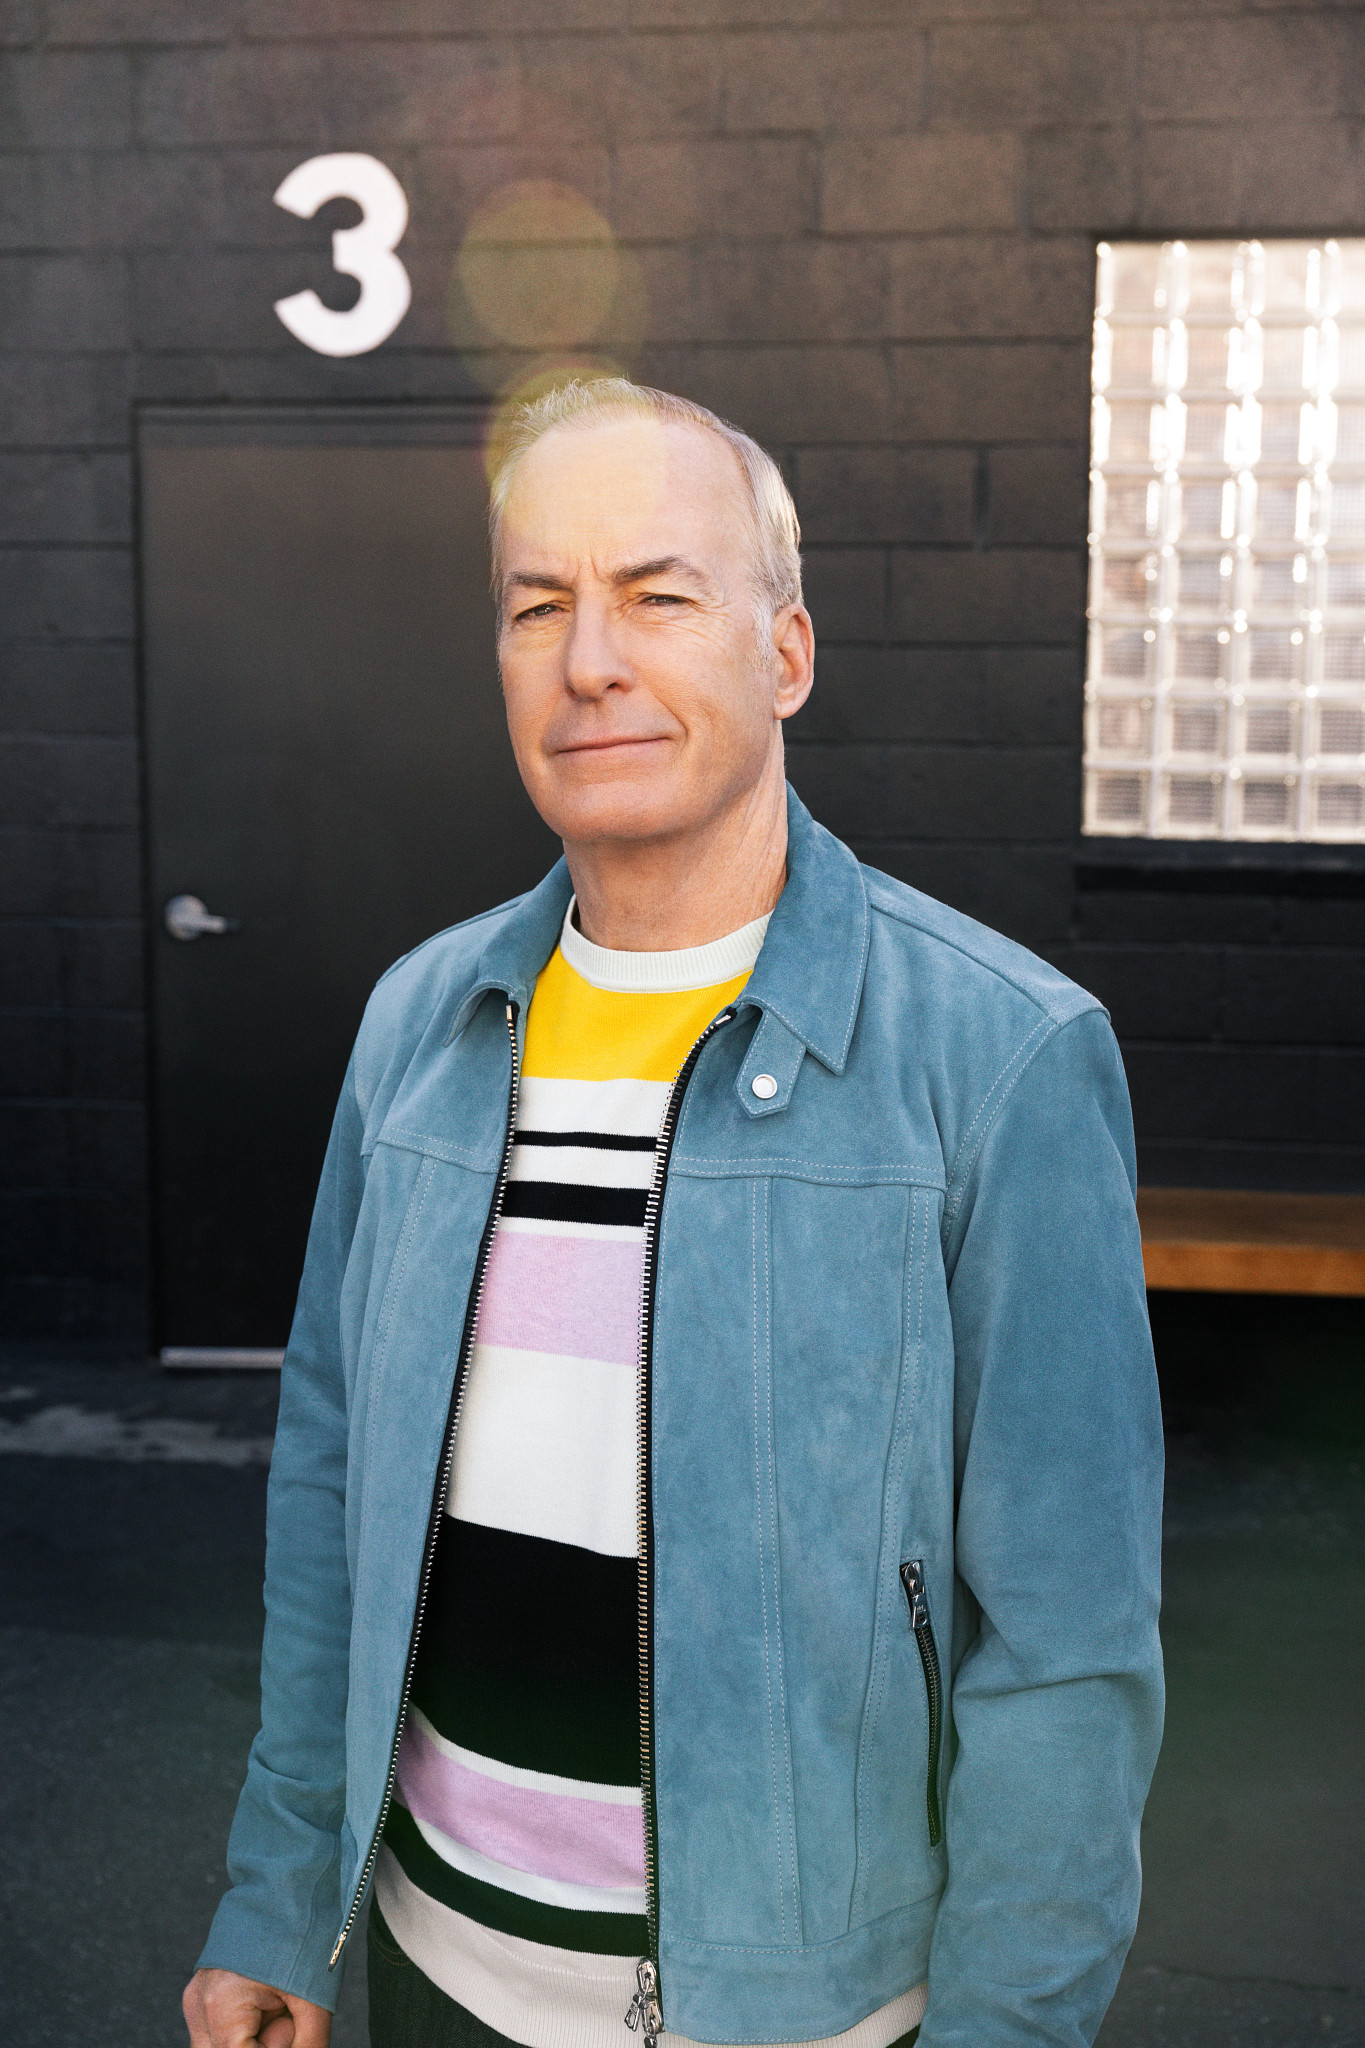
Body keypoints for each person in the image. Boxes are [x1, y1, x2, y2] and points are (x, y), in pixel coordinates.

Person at [184, 379, 1164, 2048]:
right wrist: (283, 1891)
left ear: (783, 653)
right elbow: (331, 1492)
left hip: (808, 2014)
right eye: (538, 605)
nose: (589, 661)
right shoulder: (414, 1030)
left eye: (657, 593)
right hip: (435, 1973)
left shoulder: (999, 1061)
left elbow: (1066, 1655)